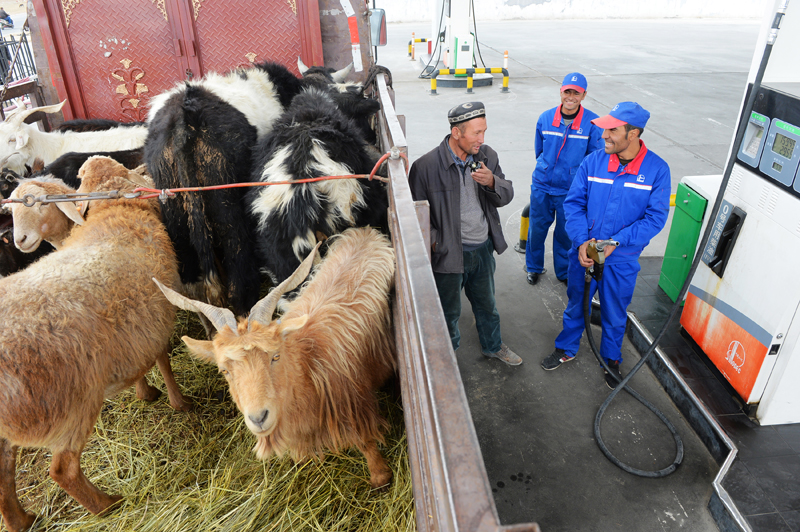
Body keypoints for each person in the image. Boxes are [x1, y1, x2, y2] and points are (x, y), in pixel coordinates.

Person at [540, 102, 670, 388]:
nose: (604, 135)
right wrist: (582, 241)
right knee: (577, 304)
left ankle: (611, 359)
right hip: (586, 253)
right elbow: (573, 204)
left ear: (633, 133)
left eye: (613, 130)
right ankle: (567, 347)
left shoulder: (657, 170)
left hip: (621, 259)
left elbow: (655, 218)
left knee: (614, 312)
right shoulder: (594, 162)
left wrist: (616, 241)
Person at [408, 101, 522, 366]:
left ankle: (493, 346)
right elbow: (416, 217)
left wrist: (492, 182)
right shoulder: (425, 167)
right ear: (456, 132)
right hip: (449, 255)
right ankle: (446, 360)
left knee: (487, 305)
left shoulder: (487, 156)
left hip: (482, 250)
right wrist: (438, 243)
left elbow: (506, 195)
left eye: (484, 131)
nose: (481, 139)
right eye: (476, 133)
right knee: (448, 313)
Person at [525, 72, 604, 285]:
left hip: (570, 191)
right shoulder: (545, 118)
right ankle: (533, 267)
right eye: (567, 91)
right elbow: (538, 149)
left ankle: (564, 272)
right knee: (537, 229)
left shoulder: (592, 124)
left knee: (565, 234)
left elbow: (594, 161)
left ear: (584, 95)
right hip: (542, 185)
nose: (571, 96)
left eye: (576, 93)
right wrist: (546, 167)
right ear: (561, 92)